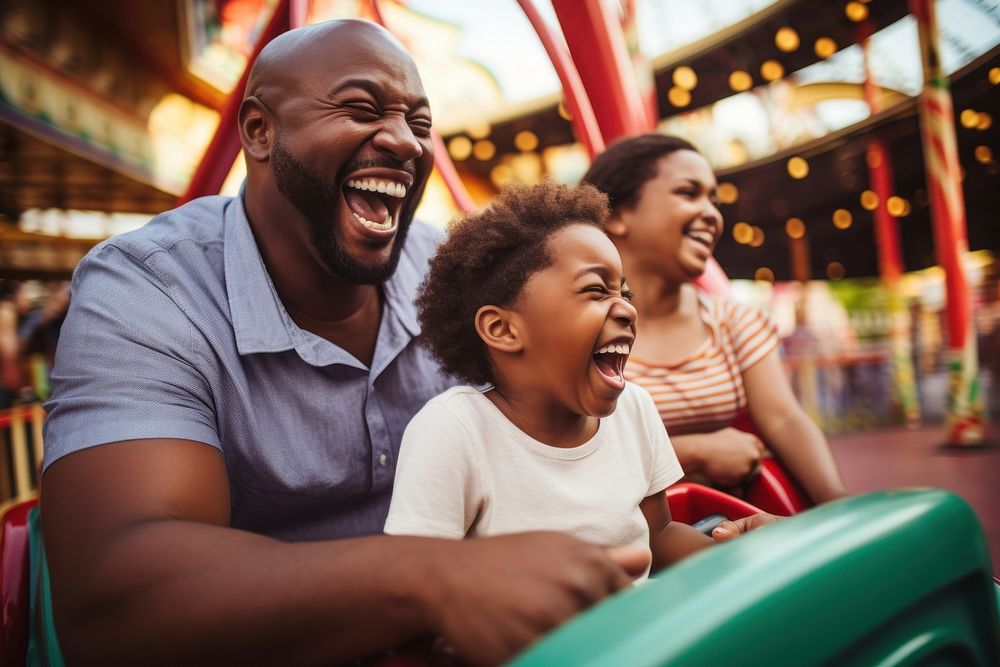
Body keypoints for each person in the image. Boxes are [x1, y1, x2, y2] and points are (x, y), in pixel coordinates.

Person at [40, 22, 767, 665]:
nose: (403, 139)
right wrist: (431, 578)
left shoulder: (455, 269)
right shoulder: (148, 290)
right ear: (258, 132)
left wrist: (688, 482)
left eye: (419, 120)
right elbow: (114, 600)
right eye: (360, 108)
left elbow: (551, 430)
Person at [384, 181, 774, 577]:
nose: (626, 310)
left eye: (625, 294)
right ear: (502, 328)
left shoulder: (634, 409)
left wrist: (739, 551)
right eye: (595, 290)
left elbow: (657, 535)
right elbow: (418, 584)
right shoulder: (455, 429)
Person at [582, 134, 848, 504]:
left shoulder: (733, 321)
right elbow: (567, 457)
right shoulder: (578, 330)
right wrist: (692, 451)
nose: (712, 213)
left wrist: (838, 504)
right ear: (619, 215)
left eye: (713, 199)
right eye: (689, 193)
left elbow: (785, 419)